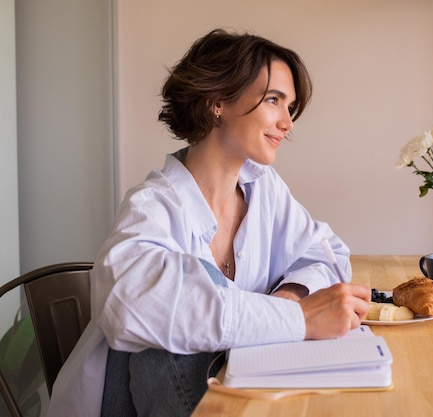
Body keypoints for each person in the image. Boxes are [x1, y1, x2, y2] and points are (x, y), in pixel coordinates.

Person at [46, 29, 371, 417]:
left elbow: (326, 252)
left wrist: (291, 295)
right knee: (178, 305)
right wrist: (297, 319)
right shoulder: (153, 205)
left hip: (229, 392)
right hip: (128, 403)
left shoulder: (264, 189)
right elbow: (129, 309)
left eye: (290, 107)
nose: (288, 123)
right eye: (273, 101)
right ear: (217, 102)